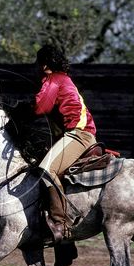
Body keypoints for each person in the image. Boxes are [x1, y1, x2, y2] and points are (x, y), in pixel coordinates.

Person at [34, 45, 97, 243]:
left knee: (46, 170)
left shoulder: (53, 79)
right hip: (75, 135)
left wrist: (19, 110)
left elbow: (40, 107)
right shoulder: (65, 79)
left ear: (44, 65)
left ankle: (60, 224)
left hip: (79, 135)